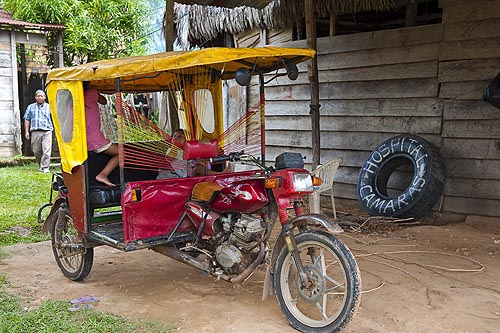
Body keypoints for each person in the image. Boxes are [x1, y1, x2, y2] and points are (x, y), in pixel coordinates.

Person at [84, 83, 118, 186]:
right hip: (94, 139)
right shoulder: (90, 93)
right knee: (121, 153)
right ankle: (103, 175)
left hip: (83, 138)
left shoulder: (75, 99)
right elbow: (104, 101)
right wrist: (96, 90)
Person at [24, 89, 53, 173]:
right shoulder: (30, 107)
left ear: (45, 97)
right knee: (36, 151)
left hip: (47, 131)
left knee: (46, 150)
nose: (40, 97)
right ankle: (41, 164)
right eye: (38, 96)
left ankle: (45, 167)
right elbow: (27, 119)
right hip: (35, 131)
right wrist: (26, 131)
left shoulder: (49, 107)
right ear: (35, 97)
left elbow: (54, 119)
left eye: (42, 96)